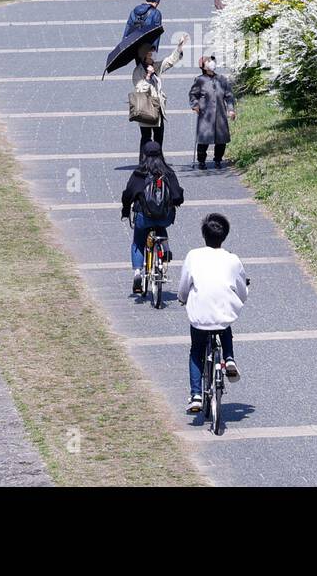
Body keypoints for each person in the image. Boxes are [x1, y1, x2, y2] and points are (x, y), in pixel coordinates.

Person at [178, 213, 247, 413]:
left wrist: (182, 298)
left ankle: (196, 395)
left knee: (196, 351)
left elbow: (184, 285)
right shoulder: (233, 259)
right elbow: (242, 290)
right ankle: (230, 359)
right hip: (222, 315)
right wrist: (240, 298)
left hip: (199, 316)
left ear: (204, 235)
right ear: (224, 236)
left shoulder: (193, 255)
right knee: (224, 325)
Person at [121, 140, 185, 296]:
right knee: (160, 225)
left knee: (138, 241)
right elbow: (178, 196)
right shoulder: (168, 172)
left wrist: (125, 210)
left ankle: (137, 273)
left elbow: (127, 194)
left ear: (144, 155)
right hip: (165, 217)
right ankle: (165, 248)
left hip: (144, 217)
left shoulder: (139, 173)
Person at [131, 32, 187, 153]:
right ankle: (145, 164)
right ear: (145, 55)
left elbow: (170, 61)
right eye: (151, 52)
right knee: (146, 138)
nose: (154, 54)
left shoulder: (155, 66)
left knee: (159, 137)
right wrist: (148, 75)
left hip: (158, 107)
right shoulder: (138, 71)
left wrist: (179, 47)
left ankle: (158, 163)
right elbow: (140, 89)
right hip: (145, 108)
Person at [189, 55, 236, 170]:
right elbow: (193, 94)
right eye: (208, 61)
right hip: (206, 114)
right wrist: (195, 105)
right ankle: (201, 161)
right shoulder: (200, 80)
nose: (212, 63)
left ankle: (218, 160)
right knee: (204, 139)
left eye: (212, 61)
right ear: (203, 66)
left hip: (220, 114)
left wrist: (230, 109)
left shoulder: (222, 79)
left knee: (221, 139)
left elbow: (229, 96)